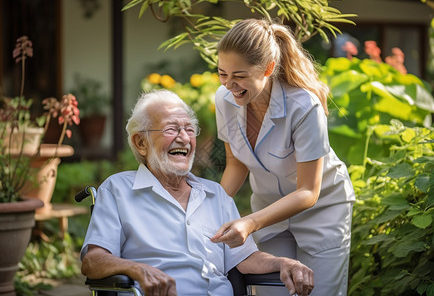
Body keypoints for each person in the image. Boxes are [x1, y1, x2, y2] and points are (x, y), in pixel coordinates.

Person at [80, 90, 314, 296]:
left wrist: (282, 263)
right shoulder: (118, 189)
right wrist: (135, 269)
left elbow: (244, 259)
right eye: (171, 129)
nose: (184, 137)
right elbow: (93, 261)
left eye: (189, 129)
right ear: (141, 142)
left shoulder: (216, 194)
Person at [210, 18, 355, 296]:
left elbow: (308, 191)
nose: (229, 84)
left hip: (321, 211)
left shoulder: (304, 106)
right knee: (271, 291)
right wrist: (211, 207)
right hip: (269, 211)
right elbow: (236, 163)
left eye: (239, 75)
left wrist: (250, 222)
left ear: (268, 68)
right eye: (222, 73)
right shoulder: (224, 99)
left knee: (317, 291)